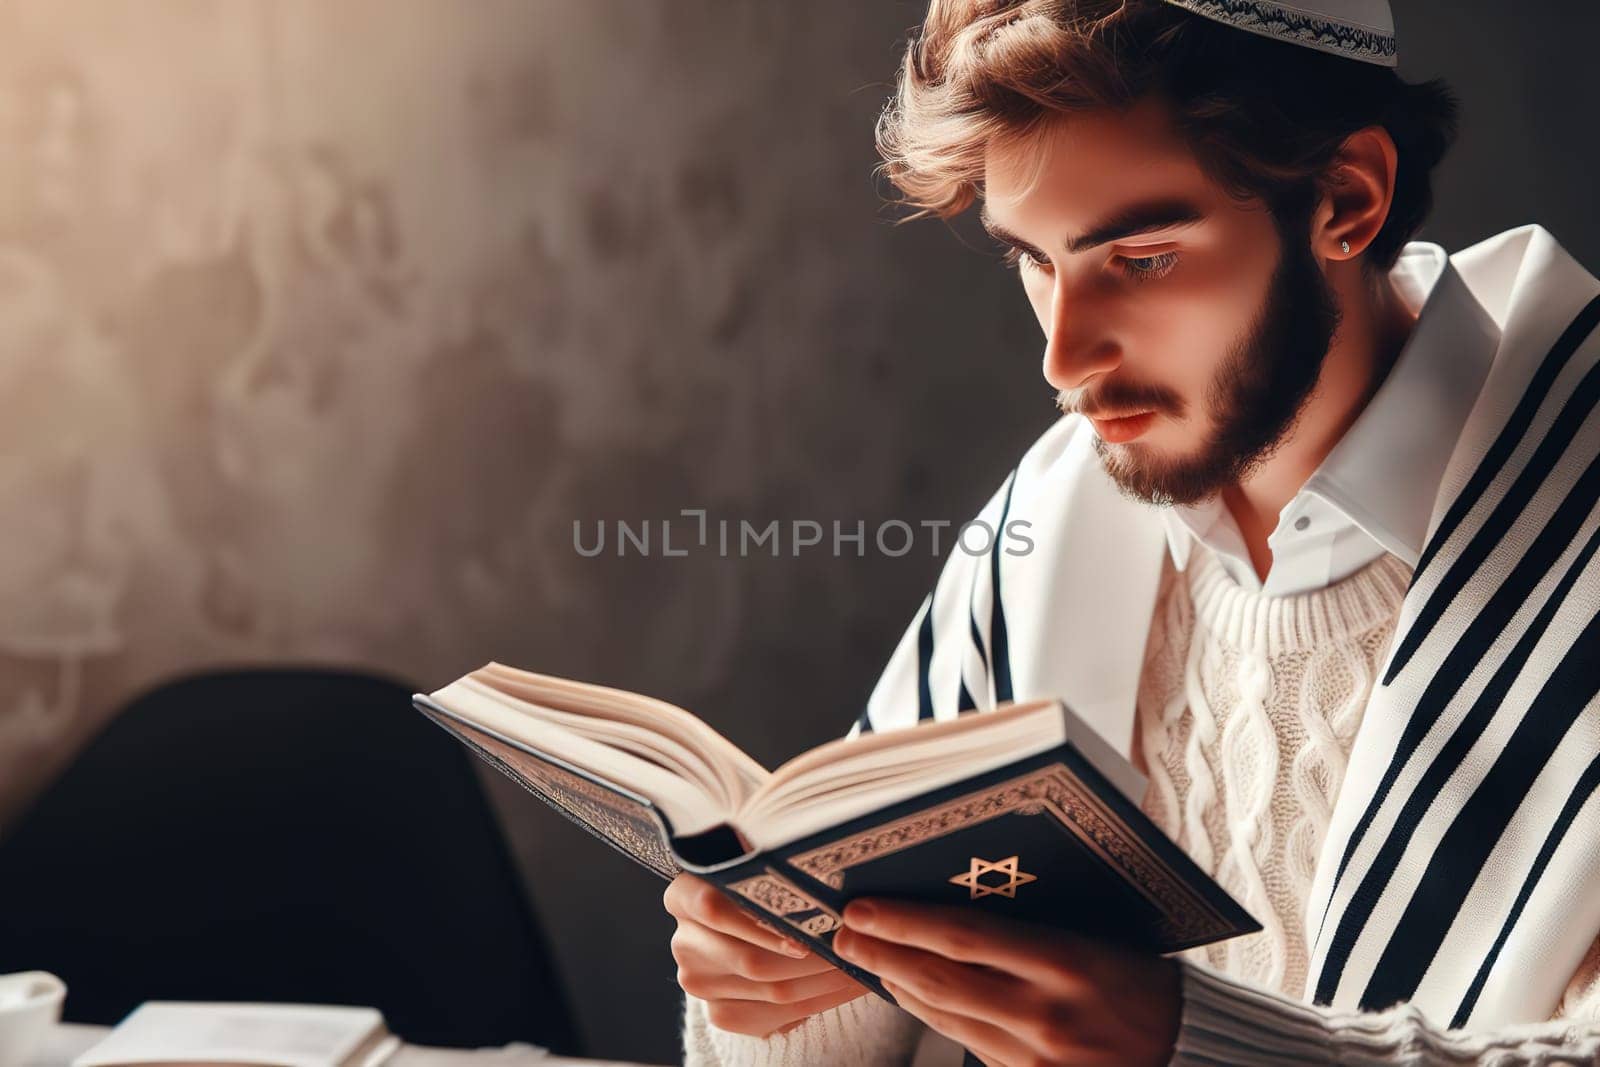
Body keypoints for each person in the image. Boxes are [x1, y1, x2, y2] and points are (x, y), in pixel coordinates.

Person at [668, 0, 1600, 1063]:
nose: (1064, 358)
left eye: (1142, 258)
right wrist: (797, 988)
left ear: (1345, 198)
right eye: (1031, 260)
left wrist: (1187, 1044)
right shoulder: (1056, 513)